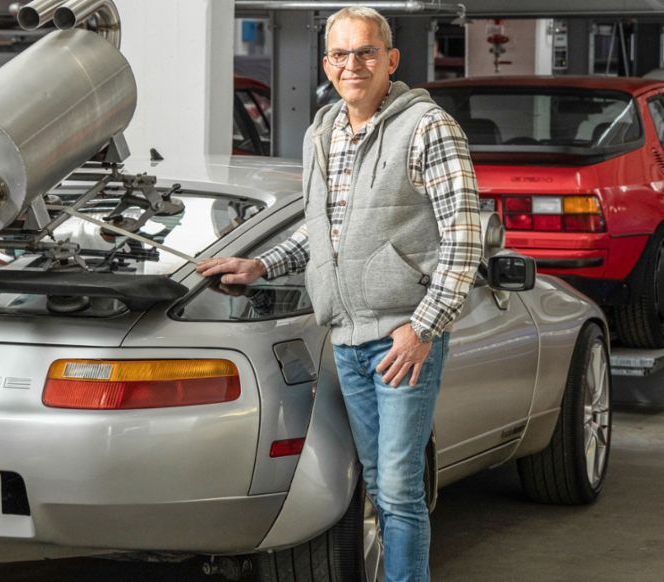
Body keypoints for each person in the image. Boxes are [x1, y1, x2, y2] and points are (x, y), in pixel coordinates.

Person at [197, 6, 481, 582]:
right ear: (327, 64)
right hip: (347, 337)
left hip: (403, 338)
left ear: (391, 60)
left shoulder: (428, 128)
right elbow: (320, 227)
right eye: (342, 54)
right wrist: (261, 263)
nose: (354, 64)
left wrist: (423, 326)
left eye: (366, 52)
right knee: (379, 483)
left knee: (399, 489)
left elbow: (464, 237)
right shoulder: (323, 131)